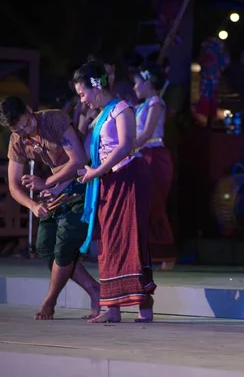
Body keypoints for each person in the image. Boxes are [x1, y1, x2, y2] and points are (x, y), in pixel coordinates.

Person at [0, 96, 100, 320]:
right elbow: (13, 186)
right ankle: (94, 289)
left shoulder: (53, 119)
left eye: (28, 123)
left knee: (64, 246)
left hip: (83, 182)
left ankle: (49, 301)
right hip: (56, 190)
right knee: (45, 246)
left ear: (29, 109)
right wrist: (33, 205)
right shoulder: (17, 141)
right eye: (19, 129)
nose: (26, 130)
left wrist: (47, 183)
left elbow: (79, 160)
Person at [74, 60, 156, 323]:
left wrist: (96, 172)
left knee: (131, 237)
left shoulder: (121, 108)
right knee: (110, 241)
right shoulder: (98, 115)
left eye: (82, 93)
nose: (82, 100)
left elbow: (125, 146)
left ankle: (145, 308)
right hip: (110, 181)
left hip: (129, 178)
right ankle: (112, 308)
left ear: (96, 86)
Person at [132, 62, 176, 271]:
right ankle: (146, 254)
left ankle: (165, 254)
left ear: (147, 82)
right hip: (143, 155)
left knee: (154, 203)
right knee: (143, 204)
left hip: (155, 156)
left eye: (137, 83)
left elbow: (148, 132)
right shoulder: (141, 105)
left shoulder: (156, 102)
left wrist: (126, 149)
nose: (134, 87)